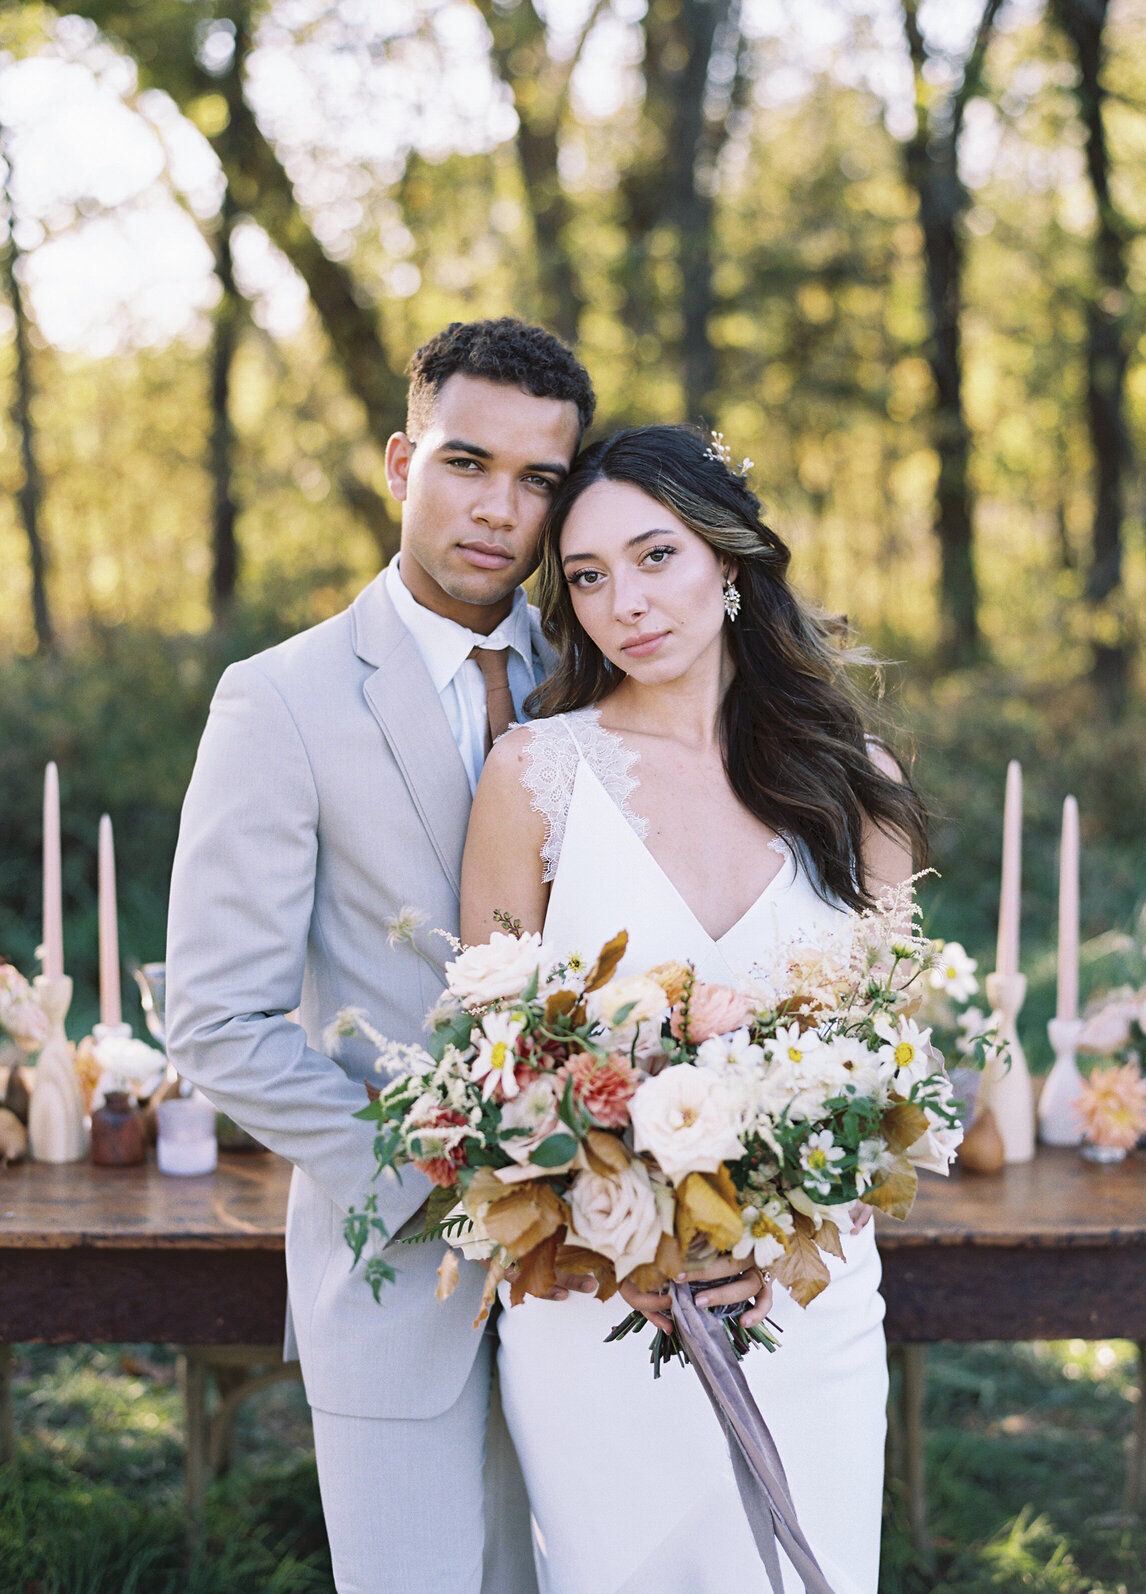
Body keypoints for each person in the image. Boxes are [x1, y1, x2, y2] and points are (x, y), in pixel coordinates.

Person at [165, 317, 595, 1594]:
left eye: (538, 481)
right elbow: (215, 1019)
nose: (498, 509)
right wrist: (435, 1163)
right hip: (401, 1269)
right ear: (402, 462)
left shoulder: (602, 684)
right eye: (468, 463)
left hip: (598, 1274)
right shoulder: (281, 698)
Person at [459, 424, 928, 1594]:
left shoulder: (855, 780)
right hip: (603, 1312)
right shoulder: (533, 776)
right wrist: (630, 1247)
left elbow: (895, 1071)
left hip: (805, 1310)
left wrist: (781, 1240)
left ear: (727, 563)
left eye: (656, 554)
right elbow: (494, 1066)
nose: (627, 600)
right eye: (588, 576)